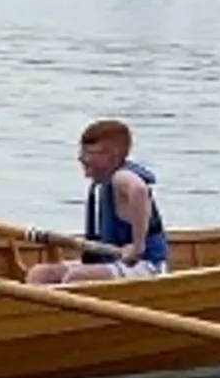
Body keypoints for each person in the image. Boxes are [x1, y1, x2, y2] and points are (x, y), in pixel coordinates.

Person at [26, 118, 168, 284]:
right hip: (110, 261)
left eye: (90, 153)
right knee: (41, 273)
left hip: (145, 266)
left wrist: (138, 246)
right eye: (82, 152)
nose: (82, 159)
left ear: (112, 156)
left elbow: (139, 190)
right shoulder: (104, 182)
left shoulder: (120, 177)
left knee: (76, 278)